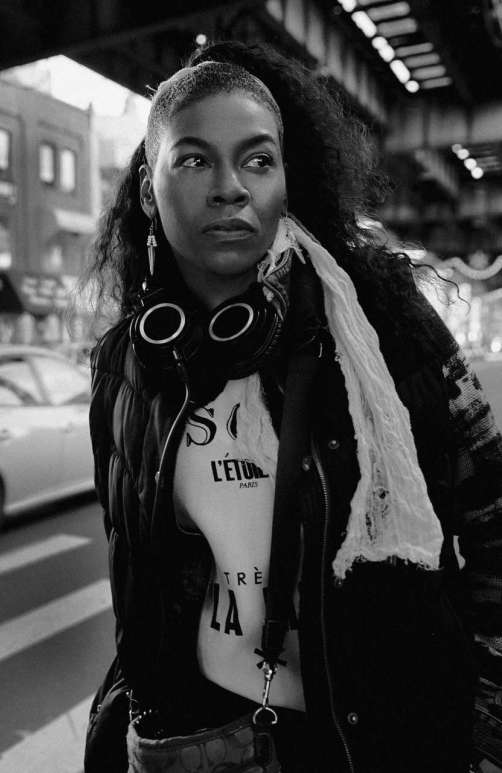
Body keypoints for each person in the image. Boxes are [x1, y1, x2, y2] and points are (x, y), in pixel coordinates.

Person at [82, 40, 502, 773]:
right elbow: (141, 586)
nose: (229, 188)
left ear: (285, 179)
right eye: (194, 160)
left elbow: (494, 520)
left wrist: (489, 732)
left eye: (257, 160)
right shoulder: (126, 366)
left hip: (375, 744)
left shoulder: (385, 328)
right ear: (150, 191)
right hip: (206, 741)